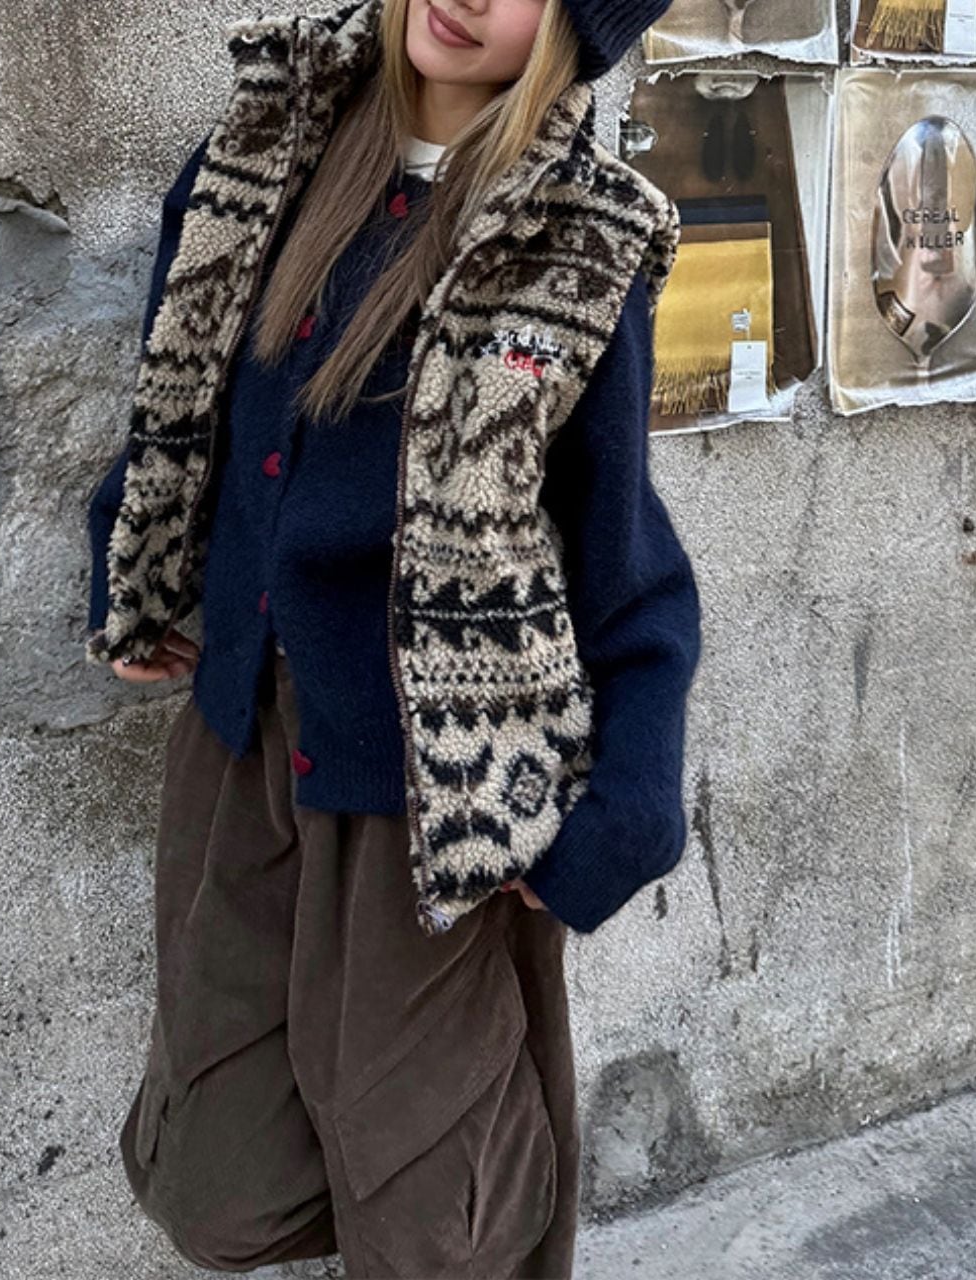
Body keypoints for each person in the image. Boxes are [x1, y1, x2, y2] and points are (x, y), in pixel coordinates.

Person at [84, 0, 699, 1275]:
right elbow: (178, 396)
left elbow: (623, 550)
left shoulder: (580, 240)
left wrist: (626, 807)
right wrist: (133, 563)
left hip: (434, 799)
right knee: (217, 1186)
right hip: (245, 749)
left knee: (433, 1223)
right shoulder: (265, 151)